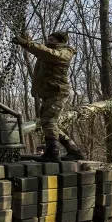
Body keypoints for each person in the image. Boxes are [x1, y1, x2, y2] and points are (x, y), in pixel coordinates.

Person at [12, 31, 84, 162]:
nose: (48, 41)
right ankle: (74, 150)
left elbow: (46, 53)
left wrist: (28, 44)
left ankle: (53, 152)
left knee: (49, 121)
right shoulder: (46, 53)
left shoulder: (65, 53)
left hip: (58, 92)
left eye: (52, 39)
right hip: (48, 93)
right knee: (48, 123)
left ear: (60, 41)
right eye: (48, 39)